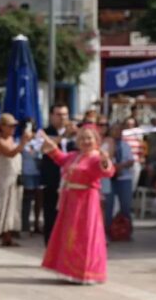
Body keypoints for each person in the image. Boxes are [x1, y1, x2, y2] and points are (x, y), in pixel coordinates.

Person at [40, 125, 115, 283]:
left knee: (85, 235)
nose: (85, 141)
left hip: (87, 201)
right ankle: (69, 269)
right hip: (70, 201)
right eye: (82, 138)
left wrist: (105, 161)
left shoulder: (95, 158)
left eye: (89, 138)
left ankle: (85, 271)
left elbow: (107, 172)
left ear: (96, 140)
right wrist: (51, 146)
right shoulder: (74, 156)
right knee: (69, 235)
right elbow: (60, 158)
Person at [0, 113, 31, 247]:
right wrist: (23, 142)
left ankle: (7, 236)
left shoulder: (11, 139)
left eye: (14, 126)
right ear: (2, 127)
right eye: (10, 126)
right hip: (3, 179)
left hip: (14, 177)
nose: (13, 128)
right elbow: (11, 153)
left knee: (12, 207)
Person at [41, 104, 75, 243]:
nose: (62, 118)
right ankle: (50, 244)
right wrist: (63, 136)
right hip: (52, 179)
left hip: (72, 181)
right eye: (59, 114)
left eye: (65, 114)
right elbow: (44, 147)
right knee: (51, 213)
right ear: (51, 116)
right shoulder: (44, 132)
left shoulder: (75, 134)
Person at [105, 123, 135, 233]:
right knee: (108, 205)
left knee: (125, 205)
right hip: (109, 179)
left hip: (124, 178)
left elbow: (131, 160)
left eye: (119, 130)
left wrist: (121, 166)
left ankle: (127, 229)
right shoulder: (106, 144)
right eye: (114, 130)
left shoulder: (126, 145)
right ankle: (107, 230)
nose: (117, 132)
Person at [20, 119, 43, 235]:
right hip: (27, 173)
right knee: (27, 200)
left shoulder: (39, 141)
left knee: (39, 199)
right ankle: (25, 224)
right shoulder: (20, 142)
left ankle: (37, 224)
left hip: (38, 173)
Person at [122, 116, 144, 190]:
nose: (130, 126)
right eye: (128, 124)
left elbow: (141, 147)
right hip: (124, 163)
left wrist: (141, 157)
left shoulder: (138, 135)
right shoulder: (122, 134)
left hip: (135, 162)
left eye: (132, 124)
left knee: (133, 184)